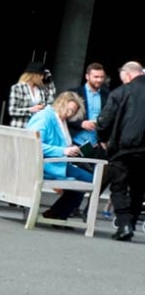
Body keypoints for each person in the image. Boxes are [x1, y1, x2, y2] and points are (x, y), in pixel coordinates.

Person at [96, 60, 145, 240]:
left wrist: (102, 139)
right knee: (138, 188)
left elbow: (104, 120)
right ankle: (130, 224)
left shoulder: (121, 92)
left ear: (128, 74)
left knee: (119, 186)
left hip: (124, 147)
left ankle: (124, 225)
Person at [29, 91, 95, 220]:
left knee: (86, 178)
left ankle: (57, 213)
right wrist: (63, 151)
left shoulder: (59, 118)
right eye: (68, 110)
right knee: (87, 180)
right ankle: (58, 213)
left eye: (73, 112)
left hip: (55, 162)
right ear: (60, 104)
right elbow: (33, 144)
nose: (69, 114)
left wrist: (70, 150)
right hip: (46, 164)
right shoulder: (45, 117)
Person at [76, 61, 108, 147]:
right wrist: (81, 123)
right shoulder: (75, 93)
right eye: (96, 77)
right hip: (76, 142)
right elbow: (64, 116)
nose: (99, 80)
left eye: (102, 77)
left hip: (97, 143)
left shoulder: (107, 95)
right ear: (87, 76)